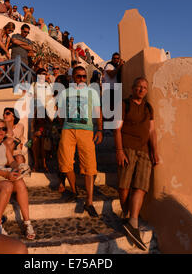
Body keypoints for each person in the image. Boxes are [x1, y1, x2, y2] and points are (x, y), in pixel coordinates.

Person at [114, 77, 160, 250]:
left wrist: (154, 151)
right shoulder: (124, 104)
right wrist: (119, 150)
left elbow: (152, 131)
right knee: (124, 186)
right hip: (127, 148)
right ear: (132, 88)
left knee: (141, 186)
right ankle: (126, 215)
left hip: (144, 151)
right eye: (138, 87)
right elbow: (117, 129)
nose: (141, 90)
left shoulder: (148, 108)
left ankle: (133, 221)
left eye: (144, 88)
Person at [57, 66, 103, 217]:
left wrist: (100, 130)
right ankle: (75, 191)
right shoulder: (65, 93)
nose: (82, 79)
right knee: (65, 163)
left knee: (89, 166)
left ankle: (89, 202)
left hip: (86, 131)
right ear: (72, 78)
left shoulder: (92, 92)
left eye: (84, 77)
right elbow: (59, 113)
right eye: (79, 76)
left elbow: (98, 112)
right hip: (68, 130)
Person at [0, 119, 36, 239]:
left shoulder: (4, 145)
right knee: (8, 185)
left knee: (20, 182)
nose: (1, 131)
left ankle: (27, 223)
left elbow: (11, 162)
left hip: (0, 176)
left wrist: (19, 167)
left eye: (3, 129)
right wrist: (6, 174)